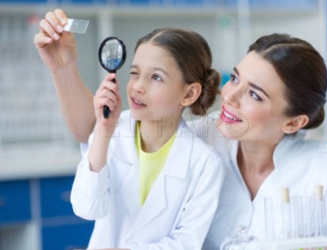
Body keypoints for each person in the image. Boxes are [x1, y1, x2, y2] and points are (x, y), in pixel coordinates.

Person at [34, 9, 327, 250]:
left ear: (294, 122)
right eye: (236, 78)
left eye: (254, 94)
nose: (229, 96)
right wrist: (63, 69)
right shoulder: (204, 136)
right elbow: (97, 131)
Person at [35, 10, 225, 250]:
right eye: (134, 73)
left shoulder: (205, 163)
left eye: (156, 77)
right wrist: (104, 129)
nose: (137, 87)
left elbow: (187, 242)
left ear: (188, 94)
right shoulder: (114, 132)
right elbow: (86, 207)